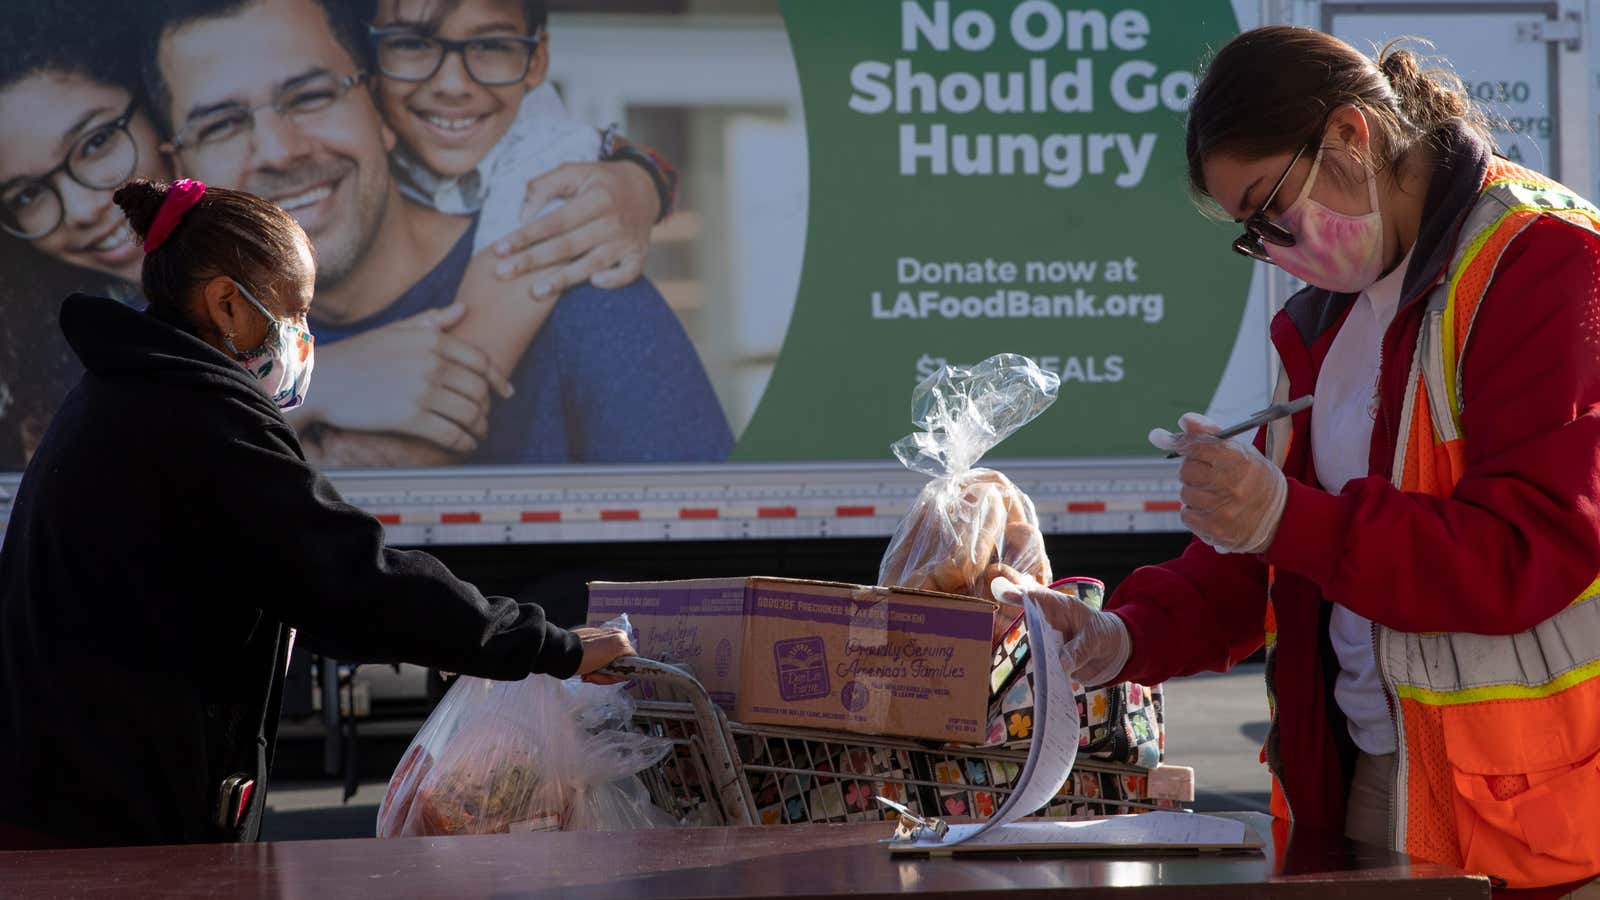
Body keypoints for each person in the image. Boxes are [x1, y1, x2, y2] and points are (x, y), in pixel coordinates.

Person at [1008, 26, 1600, 892]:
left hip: (1527, 814)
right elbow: (1276, 567)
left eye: (1268, 205)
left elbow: (1527, 550)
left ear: (1352, 136)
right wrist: (1124, 636)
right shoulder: (1326, 322)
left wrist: (1285, 515)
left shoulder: (1545, 262)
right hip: (1368, 782)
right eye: (1252, 230)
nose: (1274, 243)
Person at [0, 176, 637, 849]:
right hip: (109, 828)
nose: (301, 336)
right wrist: (551, 647)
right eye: (294, 310)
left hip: (70, 801)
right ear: (225, 304)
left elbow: (309, 587)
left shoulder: (129, 391)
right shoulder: (199, 415)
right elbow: (349, 580)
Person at [148, 0, 733, 465]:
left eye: (312, 95)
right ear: (177, 173)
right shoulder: (166, 328)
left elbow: (710, 576)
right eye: (221, 124)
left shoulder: (567, 256)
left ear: (377, 106)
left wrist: (640, 181)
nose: (279, 150)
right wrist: (313, 385)